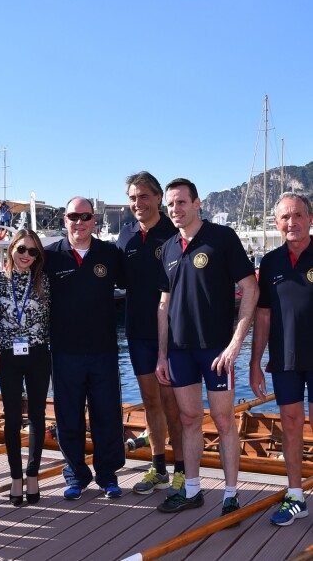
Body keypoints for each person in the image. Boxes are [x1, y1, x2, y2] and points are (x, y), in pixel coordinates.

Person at [155, 178, 258, 518]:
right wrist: (162, 354)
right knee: (188, 419)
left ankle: (230, 495)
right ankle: (193, 490)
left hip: (216, 350)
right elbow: (164, 304)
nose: (175, 209)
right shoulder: (169, 247)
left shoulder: (221, 238)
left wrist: (235, 345)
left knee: (224, 420)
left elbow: (250, 290)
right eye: (170, 204)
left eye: (181, 202)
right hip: (180, 351)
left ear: (197, 203)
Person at [44, 197, 124, 499]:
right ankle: (75, 475)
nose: (79, 222)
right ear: (65, 220)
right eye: (73, 216)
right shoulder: (49, 256)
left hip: (103, 350)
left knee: (107, 414)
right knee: (68, 416)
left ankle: (107, 475)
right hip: (64, 352)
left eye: (85, 216)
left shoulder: (109, 254)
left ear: (95, 220)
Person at [116, 172, 184, 495]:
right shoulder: (125, 236)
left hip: (172, 334)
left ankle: (182, 470)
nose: (138, 203)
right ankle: (158, 467)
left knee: (172, 404)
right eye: (132, 198)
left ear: (158, 198)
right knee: (150, 402)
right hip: (138, 331)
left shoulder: (174, 232)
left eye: (144, 196)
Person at [249, 192, 313, 526]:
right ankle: (296, 495)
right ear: (277, 223)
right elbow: (263, 317)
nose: (292, 222)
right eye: (285, 217)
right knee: (290, 425)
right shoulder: (271, 262)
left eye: (297, 215)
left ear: (310, 219)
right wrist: (254, 362)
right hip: (285, 359)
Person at [0, 229, 51, 506]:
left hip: (38, 355)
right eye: (22, 249)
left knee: (37, 416)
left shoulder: (44, 283)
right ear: (11, 249)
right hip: (9, 357)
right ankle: (16, 477)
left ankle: (33, 474)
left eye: (33, 251)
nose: (26, 255)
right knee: (12, 417)